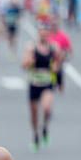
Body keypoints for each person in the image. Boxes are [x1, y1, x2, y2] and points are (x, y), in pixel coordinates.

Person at [23, 21, 61, 150]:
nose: (43, 34)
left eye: (46, 32)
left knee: (46, 108)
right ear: (38, 33)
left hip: (47, 84)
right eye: (41, 32)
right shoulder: (31, 47)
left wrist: (55, 68)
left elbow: (57, 63)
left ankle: (44, 127)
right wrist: (29, 62)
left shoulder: (54, 47)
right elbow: (24, 65)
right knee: (34, 114)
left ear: (48, 34)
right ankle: (35, 135)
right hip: (34, 84)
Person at [49, 18, 72, 93]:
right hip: (50, 58)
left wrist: (66, 56)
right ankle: (51, 85)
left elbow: (68, 48)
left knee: (59, 73)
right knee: (51, 72)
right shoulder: (48, 35)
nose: (54, 26)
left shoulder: (63, 36)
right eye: (52, 25)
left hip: (59, 59)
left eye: (55, 25)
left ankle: (60, 86)